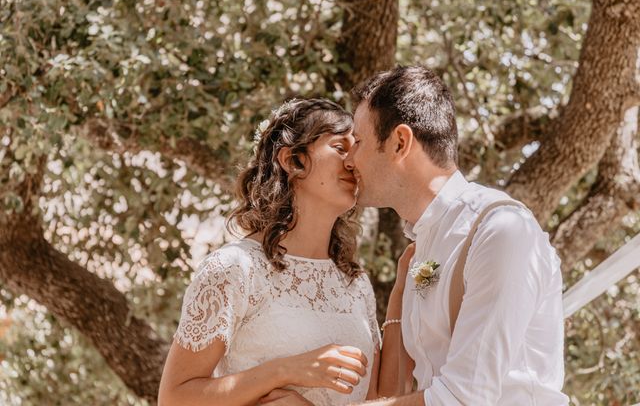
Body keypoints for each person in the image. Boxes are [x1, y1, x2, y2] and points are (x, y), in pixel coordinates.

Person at [344, 66, 569, 405]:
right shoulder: (423, 245)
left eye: (357, 142)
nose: (348, 159)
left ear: (400, 143)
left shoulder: (500, 230)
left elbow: (464, 397)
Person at [159, 98, 392, 406]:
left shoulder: (356, 284)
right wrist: (284, 371)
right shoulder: (234, 268)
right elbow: (174, 399)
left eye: (356, 149)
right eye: (339, 148)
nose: (353, 161)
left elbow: (372, 400)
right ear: (293, 161)